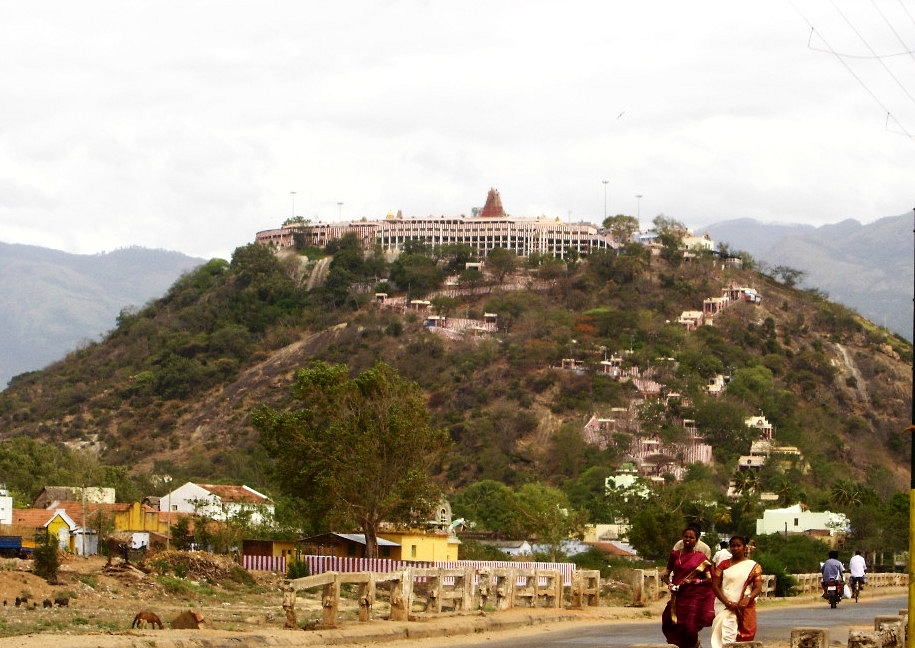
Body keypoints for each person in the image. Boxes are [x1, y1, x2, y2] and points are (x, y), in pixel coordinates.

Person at [662, 524, 716, 648]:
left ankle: (694, 645)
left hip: (694, 596)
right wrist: (670, 584)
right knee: (674, 624)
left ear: (696, 540)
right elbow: (666, 574)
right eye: (685, 537)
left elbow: (709, 578)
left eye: (691, 537)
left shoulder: (701, 556)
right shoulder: (675, 554)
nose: (687, 539)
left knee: (690, 627)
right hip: (678, 595)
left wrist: (694, 582)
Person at [710, 535, 763, 648]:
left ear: (744, 547)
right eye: (732, 546)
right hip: (725, 606)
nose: (735, 548)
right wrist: (727, 602)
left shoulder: (753, 566)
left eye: (738, 545)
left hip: (746, 606)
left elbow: (758, 587)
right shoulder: (723, 565)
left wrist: (748, 598)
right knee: (726, 636)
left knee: (746, 637)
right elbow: (715, 586)